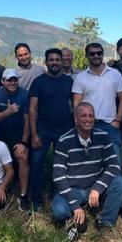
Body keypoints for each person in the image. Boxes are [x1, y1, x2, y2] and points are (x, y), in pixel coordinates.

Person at [51, 103, 122, 238]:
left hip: (94, 187)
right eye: (84, 116)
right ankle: (79, 216)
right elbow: (58, 176)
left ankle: (105, 221)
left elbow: (114, 165)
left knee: (120, 183)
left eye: (91, 116)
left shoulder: (103, 136)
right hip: (73, 189)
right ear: (76, 119)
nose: (88, 119)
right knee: (59, 211)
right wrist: (75, 206)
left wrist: (97, 188)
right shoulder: (64, 141)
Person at [29, 48, 74, 211]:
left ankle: (59, 195)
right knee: (36, 164)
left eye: (57, 59)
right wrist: (34, 134)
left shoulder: (69, 81)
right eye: (51, 60)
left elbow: (75, 105)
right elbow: (32, 109)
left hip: (65, 129)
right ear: (46, 62)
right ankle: (36, 200)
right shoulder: (38, 82)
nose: (54, 62)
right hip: (43, 129)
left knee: (62, 165)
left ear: (62, 61)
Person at [73, 42, 122, 164]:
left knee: (115, 162)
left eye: (99, 53)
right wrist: (78, 123)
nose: (96, 56)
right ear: (87, 55)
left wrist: (118, 121)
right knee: (89, 162)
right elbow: (77, 103)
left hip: (110, 125)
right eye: (92, 54)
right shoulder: (80, 77)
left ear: (103, 54)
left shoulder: (115, 74)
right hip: (87, 125)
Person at [0, 68, 31, 210]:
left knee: (23, 157)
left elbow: (27, 120)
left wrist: (23, 143)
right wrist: (7, 112)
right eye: (9, 80)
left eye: (15, 80)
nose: (12, 83)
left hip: (17, 136)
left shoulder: (25, 95)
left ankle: (23, 195)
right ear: (3, 81)